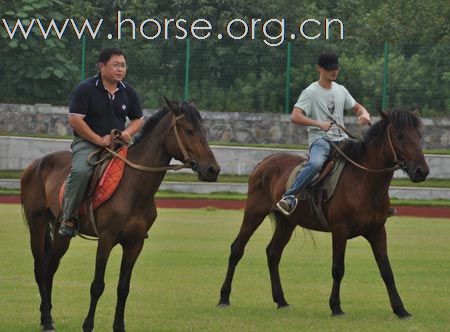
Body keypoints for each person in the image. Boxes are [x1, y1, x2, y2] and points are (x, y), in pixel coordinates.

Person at [59, 47, 145, 236]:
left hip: (118, 145)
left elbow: (138, 119)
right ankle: (69, 217)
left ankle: (136, 219)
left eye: (123, 65)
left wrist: (127, 133)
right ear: (101, 66)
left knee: (137, 170)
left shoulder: (128, 91)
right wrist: (99, 140)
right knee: (81, 171)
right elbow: (75, 120)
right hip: (88, 144)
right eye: (115, 65)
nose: (120, 69)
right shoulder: (86, 88)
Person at [276, 53, 371, 216]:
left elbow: (357, 107)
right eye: (329, 69)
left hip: (342, 139)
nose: (334, 72)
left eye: (336, 68)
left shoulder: (341, 90)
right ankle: (289, 197)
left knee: (369, 159)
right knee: (316, 164)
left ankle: (375, 204)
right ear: (319, 69)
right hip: (320, 140)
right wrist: (318, 124)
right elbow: (295, 116)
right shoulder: (310, 92)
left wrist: (364, 114)